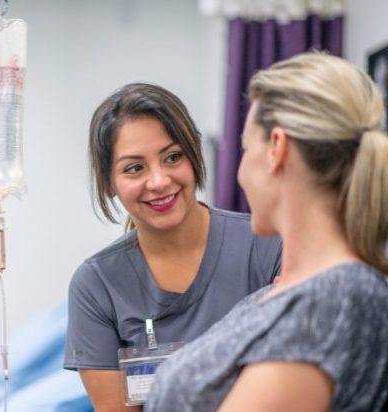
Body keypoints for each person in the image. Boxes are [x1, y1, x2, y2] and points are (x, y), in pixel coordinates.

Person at [147, 52, 388, 411]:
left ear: (276, 148)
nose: (241, 172)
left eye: (245, 148)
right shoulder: (281, 296)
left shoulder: (336, 300)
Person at [63, 83, 282, 411]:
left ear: (193, 157)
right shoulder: (96, 284)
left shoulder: (267, 246)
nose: (159, 181)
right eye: (134, 168)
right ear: (108, 181)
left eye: (173, 157)